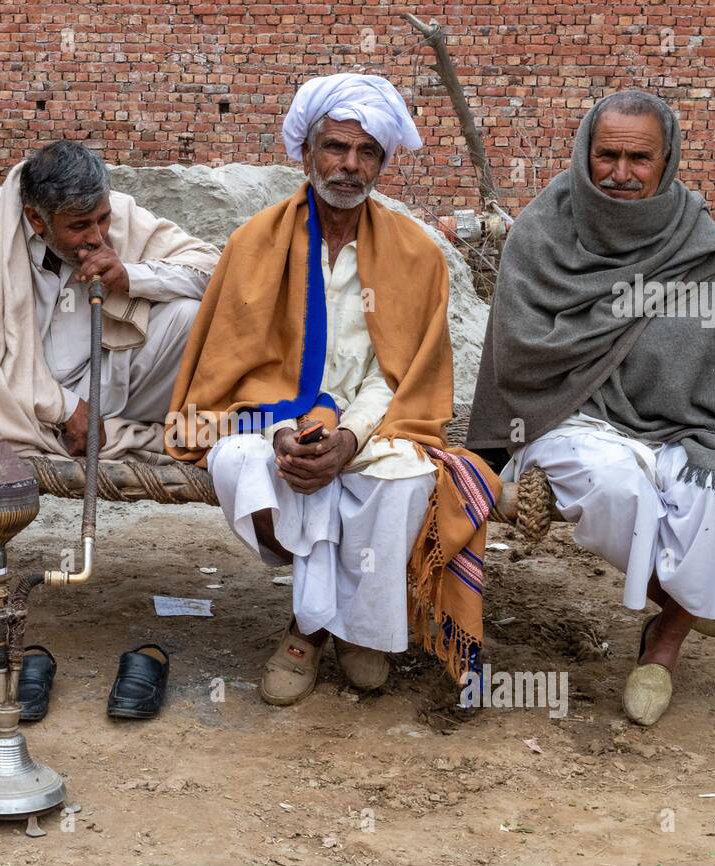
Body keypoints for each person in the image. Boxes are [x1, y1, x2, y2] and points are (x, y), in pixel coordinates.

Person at [169, 73, 500, 706]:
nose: (350, 166)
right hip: (268, 419)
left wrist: (349, 437)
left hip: (375, 422)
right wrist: (282, 429)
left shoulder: (416, 255)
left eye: (367, 151)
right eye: (336, 148)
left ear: (384, 160)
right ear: (306, 152)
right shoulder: (254, 244)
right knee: (245, 465)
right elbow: (237, 365)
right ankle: (315, 625)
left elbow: (402, 375)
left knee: (402, 478)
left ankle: (345, 630)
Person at [467, 90, 715, 727]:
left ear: (667, 160)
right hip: (565, 414)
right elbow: (519, 350)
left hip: (683, 423)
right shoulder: (543, 228)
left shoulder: (694, 238)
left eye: (640, 158)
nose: (621, 173)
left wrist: (672, 406)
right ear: (585, 152)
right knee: (615, 489)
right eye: (607, 155)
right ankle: (685, 595)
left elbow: (711, 359)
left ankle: (663, 646)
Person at [0, 140, 220, 461]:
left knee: (189, 316)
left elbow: (212, 270)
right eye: (78, 227)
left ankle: (73, 436)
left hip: (103, 385)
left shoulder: (113, 212)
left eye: (102, 219)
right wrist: (63, 407)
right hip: (13, 397)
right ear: (37, 219)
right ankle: (68, 436)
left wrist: (130, 277)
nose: (96, 237)